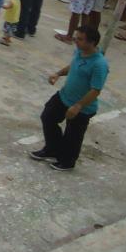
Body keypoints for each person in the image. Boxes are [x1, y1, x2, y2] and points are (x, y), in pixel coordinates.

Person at [30, 26, 108, 171]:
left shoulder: (99, 64)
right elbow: (73, 66)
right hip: (65, 96)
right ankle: (53, 149)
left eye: (80, 39)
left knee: (73, 136)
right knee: (48, 117)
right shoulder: (80, 51)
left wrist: (78, 106)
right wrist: (58, 73)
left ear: (92, 43)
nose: (75, 41)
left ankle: (67, 160)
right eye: (76, 37)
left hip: (82, 107)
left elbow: (96, 90)